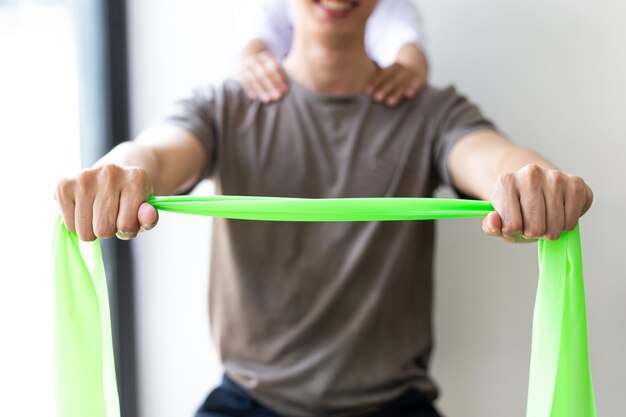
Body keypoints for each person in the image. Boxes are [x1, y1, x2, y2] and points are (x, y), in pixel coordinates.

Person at [55, 0, 593, 416]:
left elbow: (495, 160)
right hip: (247, 401)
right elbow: (157, 152)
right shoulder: (224, 105)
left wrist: (530, 181)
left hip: (395, 404)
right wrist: (121, 169)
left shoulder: (431, 112)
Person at [239, 0, 429, 107]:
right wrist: (251, 67)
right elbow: (253, 45)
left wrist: (409, 74)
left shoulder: (393, 7)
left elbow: (409, 53)